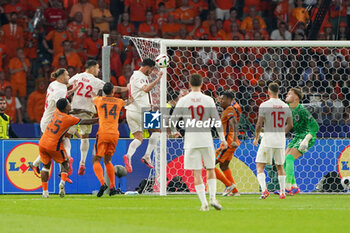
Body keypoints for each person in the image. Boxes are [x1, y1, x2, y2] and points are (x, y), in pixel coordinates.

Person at [170, 74, 228, 211]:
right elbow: (216, 121)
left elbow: (172, 120)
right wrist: (223, 139)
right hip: (206, 138)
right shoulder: (208, 100)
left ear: (189, 84)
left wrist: (174, 131)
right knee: (210, 169)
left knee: (197, 173)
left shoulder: (184, 100)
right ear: (202, 84)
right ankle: (213, 197)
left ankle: (204, 204)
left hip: (191, 140)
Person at [66, 60, 128, 175]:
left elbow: (66, 84)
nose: (98, 70)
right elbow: (113, 88)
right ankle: (82, 163)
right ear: (92, 67)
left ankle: (68, 157)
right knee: (85, 137)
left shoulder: (77, 76)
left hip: (74, 110)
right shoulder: (96, 81)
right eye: (97, 68)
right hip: (88, 112)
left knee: (67, 136)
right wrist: (127, 88)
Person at [39, 98, 98, 198]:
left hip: (42, 142)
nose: (70, 104)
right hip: (54, 145)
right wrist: (100, 119)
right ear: (66, 107)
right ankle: (62, 183)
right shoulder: (68, 119)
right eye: (68, 103)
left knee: (45, 167)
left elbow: (72, 111)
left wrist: (83, 110)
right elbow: (85, 122)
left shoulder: (56, 112)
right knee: (65, 163)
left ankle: (45, 192)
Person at [30, 68, 78, 180]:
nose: (69, 77)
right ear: (61, 77)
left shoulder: (54, 84)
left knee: (61, 141)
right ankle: (64, 166)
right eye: (67, 75)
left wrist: (72, 90)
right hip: (51, 122)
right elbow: (61, 107)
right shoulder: (60, 91)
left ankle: (36, 164)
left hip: (47, 119)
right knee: (59, 144)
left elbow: (61, 95)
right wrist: (77, 111)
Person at [253, 82, 293, 199]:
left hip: (267, 140)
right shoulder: (285, 106)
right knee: (280, 166)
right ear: (279, 92)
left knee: (260, 166)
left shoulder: (264, 105)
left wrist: (256, 137)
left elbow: (259, 124)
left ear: (268, 92)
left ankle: (264, 190)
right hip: (280, 141)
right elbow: (290, 124)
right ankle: (282, 192)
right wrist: (281, 133)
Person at [123, 58, 163, 173]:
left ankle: (128, 155)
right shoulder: (139, 76)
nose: (151, 72)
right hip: (141, 111)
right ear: (146, 67)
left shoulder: (134, 75)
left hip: (130, 112)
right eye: (151, 70)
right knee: (157, 132)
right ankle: (146, 156)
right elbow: (146, 89)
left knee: (138, 138)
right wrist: (158, 78)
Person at [91, 82, 126, 197]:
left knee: (96, 160)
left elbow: (92, 97)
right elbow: (128, 102)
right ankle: (112, 187)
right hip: (114, 134)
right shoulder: (119, 102)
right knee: (108, 160)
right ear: (113, 91)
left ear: (103, 91)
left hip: (102, 133)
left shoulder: (99, 100)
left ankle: (102, 183)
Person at [284, 88, 319, 195]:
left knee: (289, 158)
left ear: (296, 98)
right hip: (297, 136)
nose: (287, 95)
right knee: (284, 160)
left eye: (289, 94)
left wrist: (306, 140)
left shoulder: (302, 110)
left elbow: (315, 126)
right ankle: (294, 187)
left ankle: (287, 187)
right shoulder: (288, 109)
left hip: (306, 137)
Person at [215, 91, 241, 196]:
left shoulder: (230, 109)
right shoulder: (225, 110)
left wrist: (234, 140)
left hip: (228, 143)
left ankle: (229, 185)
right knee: (224, 166)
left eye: (223, 98)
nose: (220, 100)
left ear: (229, 100)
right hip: (229, 143)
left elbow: (234, 124)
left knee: (209, 165)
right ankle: (234, 191)